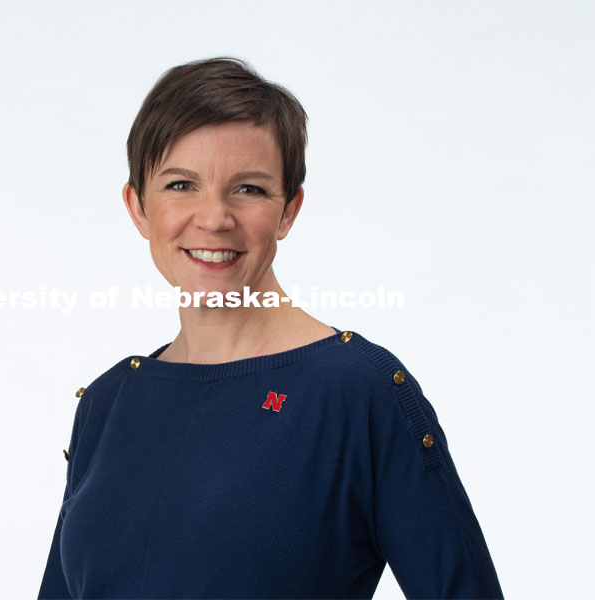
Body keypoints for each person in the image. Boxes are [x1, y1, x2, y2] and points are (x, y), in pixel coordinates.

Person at [36, 56, 503, 599]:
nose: (214, 219)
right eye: (181, 184)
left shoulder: (359, 391)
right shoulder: (106, 403)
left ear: (289, 210)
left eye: (249, 189)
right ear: (138, 207)